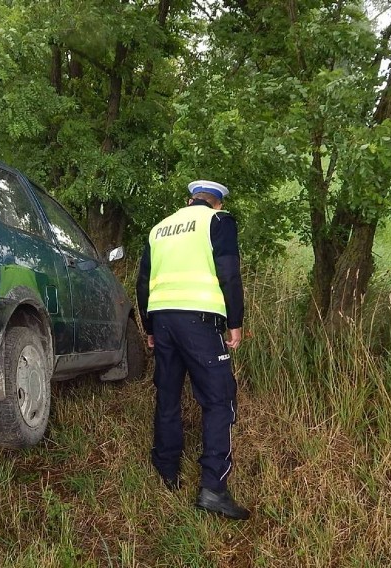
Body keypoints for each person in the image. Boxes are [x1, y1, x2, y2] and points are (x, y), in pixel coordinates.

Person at [136, 179, 250, 521]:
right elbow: (229, 274)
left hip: (164, 322)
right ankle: (213, 489)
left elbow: (143, 283)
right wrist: (236, 321)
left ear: (189, 200)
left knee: (168, 396)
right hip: (200, 323)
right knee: (219, 400)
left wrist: (150, 328)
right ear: (216, 203)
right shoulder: (218, 222)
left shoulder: (159, 230)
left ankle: (167, 472)